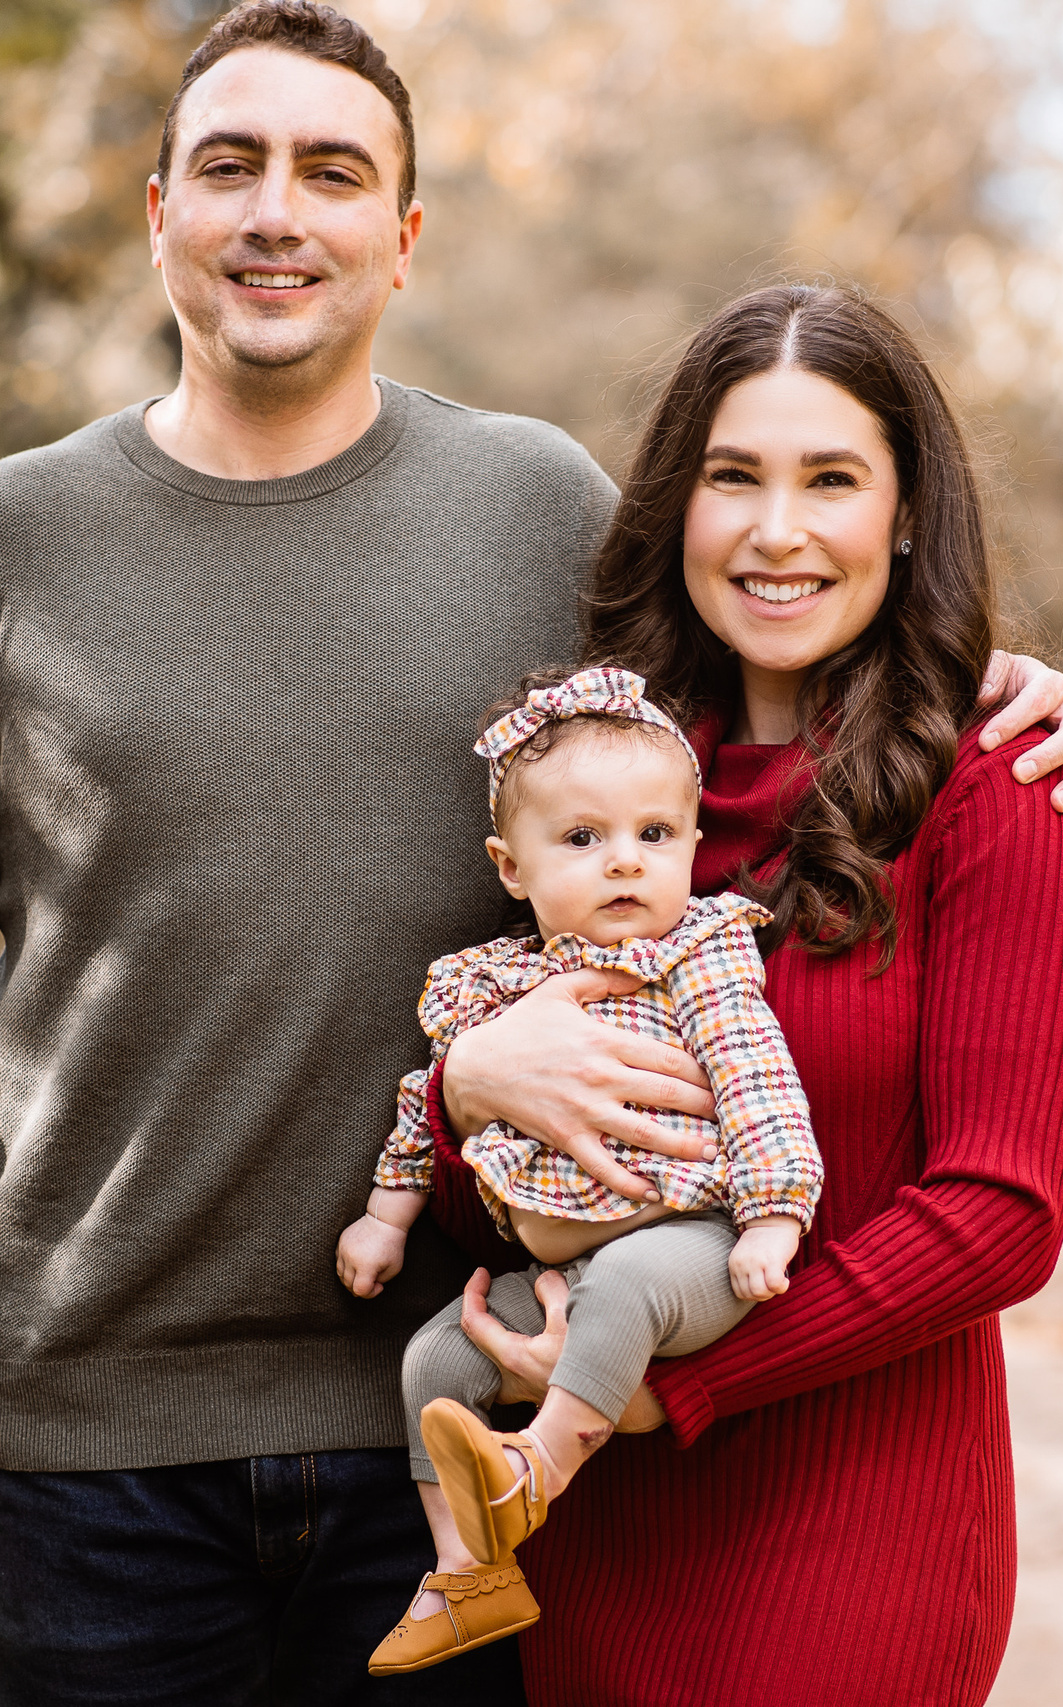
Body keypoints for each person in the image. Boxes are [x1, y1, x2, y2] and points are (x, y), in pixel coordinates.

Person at [0, 5, 1063, 1703]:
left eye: (334, 174)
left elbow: (761, 632)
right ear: (157, 206)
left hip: (444, 1428)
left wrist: (992, 684)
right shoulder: (7, 545)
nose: (278, 215)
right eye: (232, 167)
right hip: (89, 1444)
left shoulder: (538, 517)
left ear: (402, 240)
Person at [429, 283, 1063, 1705]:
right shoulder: (600, 794)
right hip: (589, 1532)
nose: (777, 529)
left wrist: (674, 1383)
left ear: (906, 514)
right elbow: (522, 1127)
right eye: (733, 476)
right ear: (678, 505)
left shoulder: (997, 789)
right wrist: (462, 1092)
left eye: (832, 480)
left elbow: (1003, 1213)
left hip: (856, 1525)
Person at [337, 667, 822, 1674]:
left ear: (694, 845)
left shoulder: (699, 954)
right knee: (434, 1362)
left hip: (685, 1243)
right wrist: (386, 1219)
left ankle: (540, 1463)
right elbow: (427, 1104)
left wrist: (774, 1214)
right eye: (582, 839)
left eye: (654, 836)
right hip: (557, 1267)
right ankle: (466, 1572)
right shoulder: (488, 981)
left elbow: (755, 1077)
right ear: (510, 868)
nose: (623, 865)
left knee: (636, 1284)